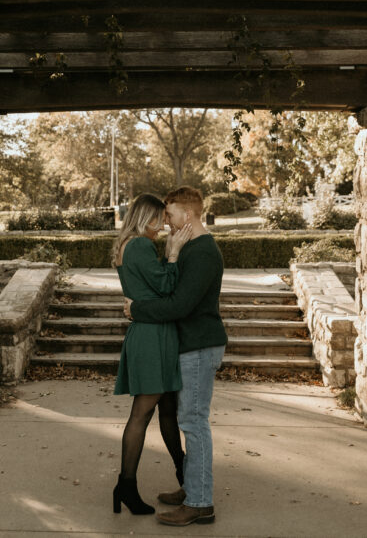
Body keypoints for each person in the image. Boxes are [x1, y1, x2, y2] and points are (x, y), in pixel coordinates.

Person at [126, 186, 226, 527]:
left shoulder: (202, 253)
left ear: (189, 215)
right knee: (188, 420)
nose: (165, 221)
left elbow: (179, 305)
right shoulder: (191, 247)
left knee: (194, 423)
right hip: (188, 345)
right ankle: (193, 489)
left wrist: (137, 309)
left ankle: (200, 503)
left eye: (169, 214)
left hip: (199, 345)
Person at [111, 193, 194, 515]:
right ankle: (126, 486)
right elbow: (166, 288)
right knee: (143, 413)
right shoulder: (140, 246)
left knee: (168, 409)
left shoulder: (126, 245)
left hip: (154, 332)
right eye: (159, 219)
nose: (163, 226)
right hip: (152, 336)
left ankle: (186, 477)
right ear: (146, 217)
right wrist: (173, 255)